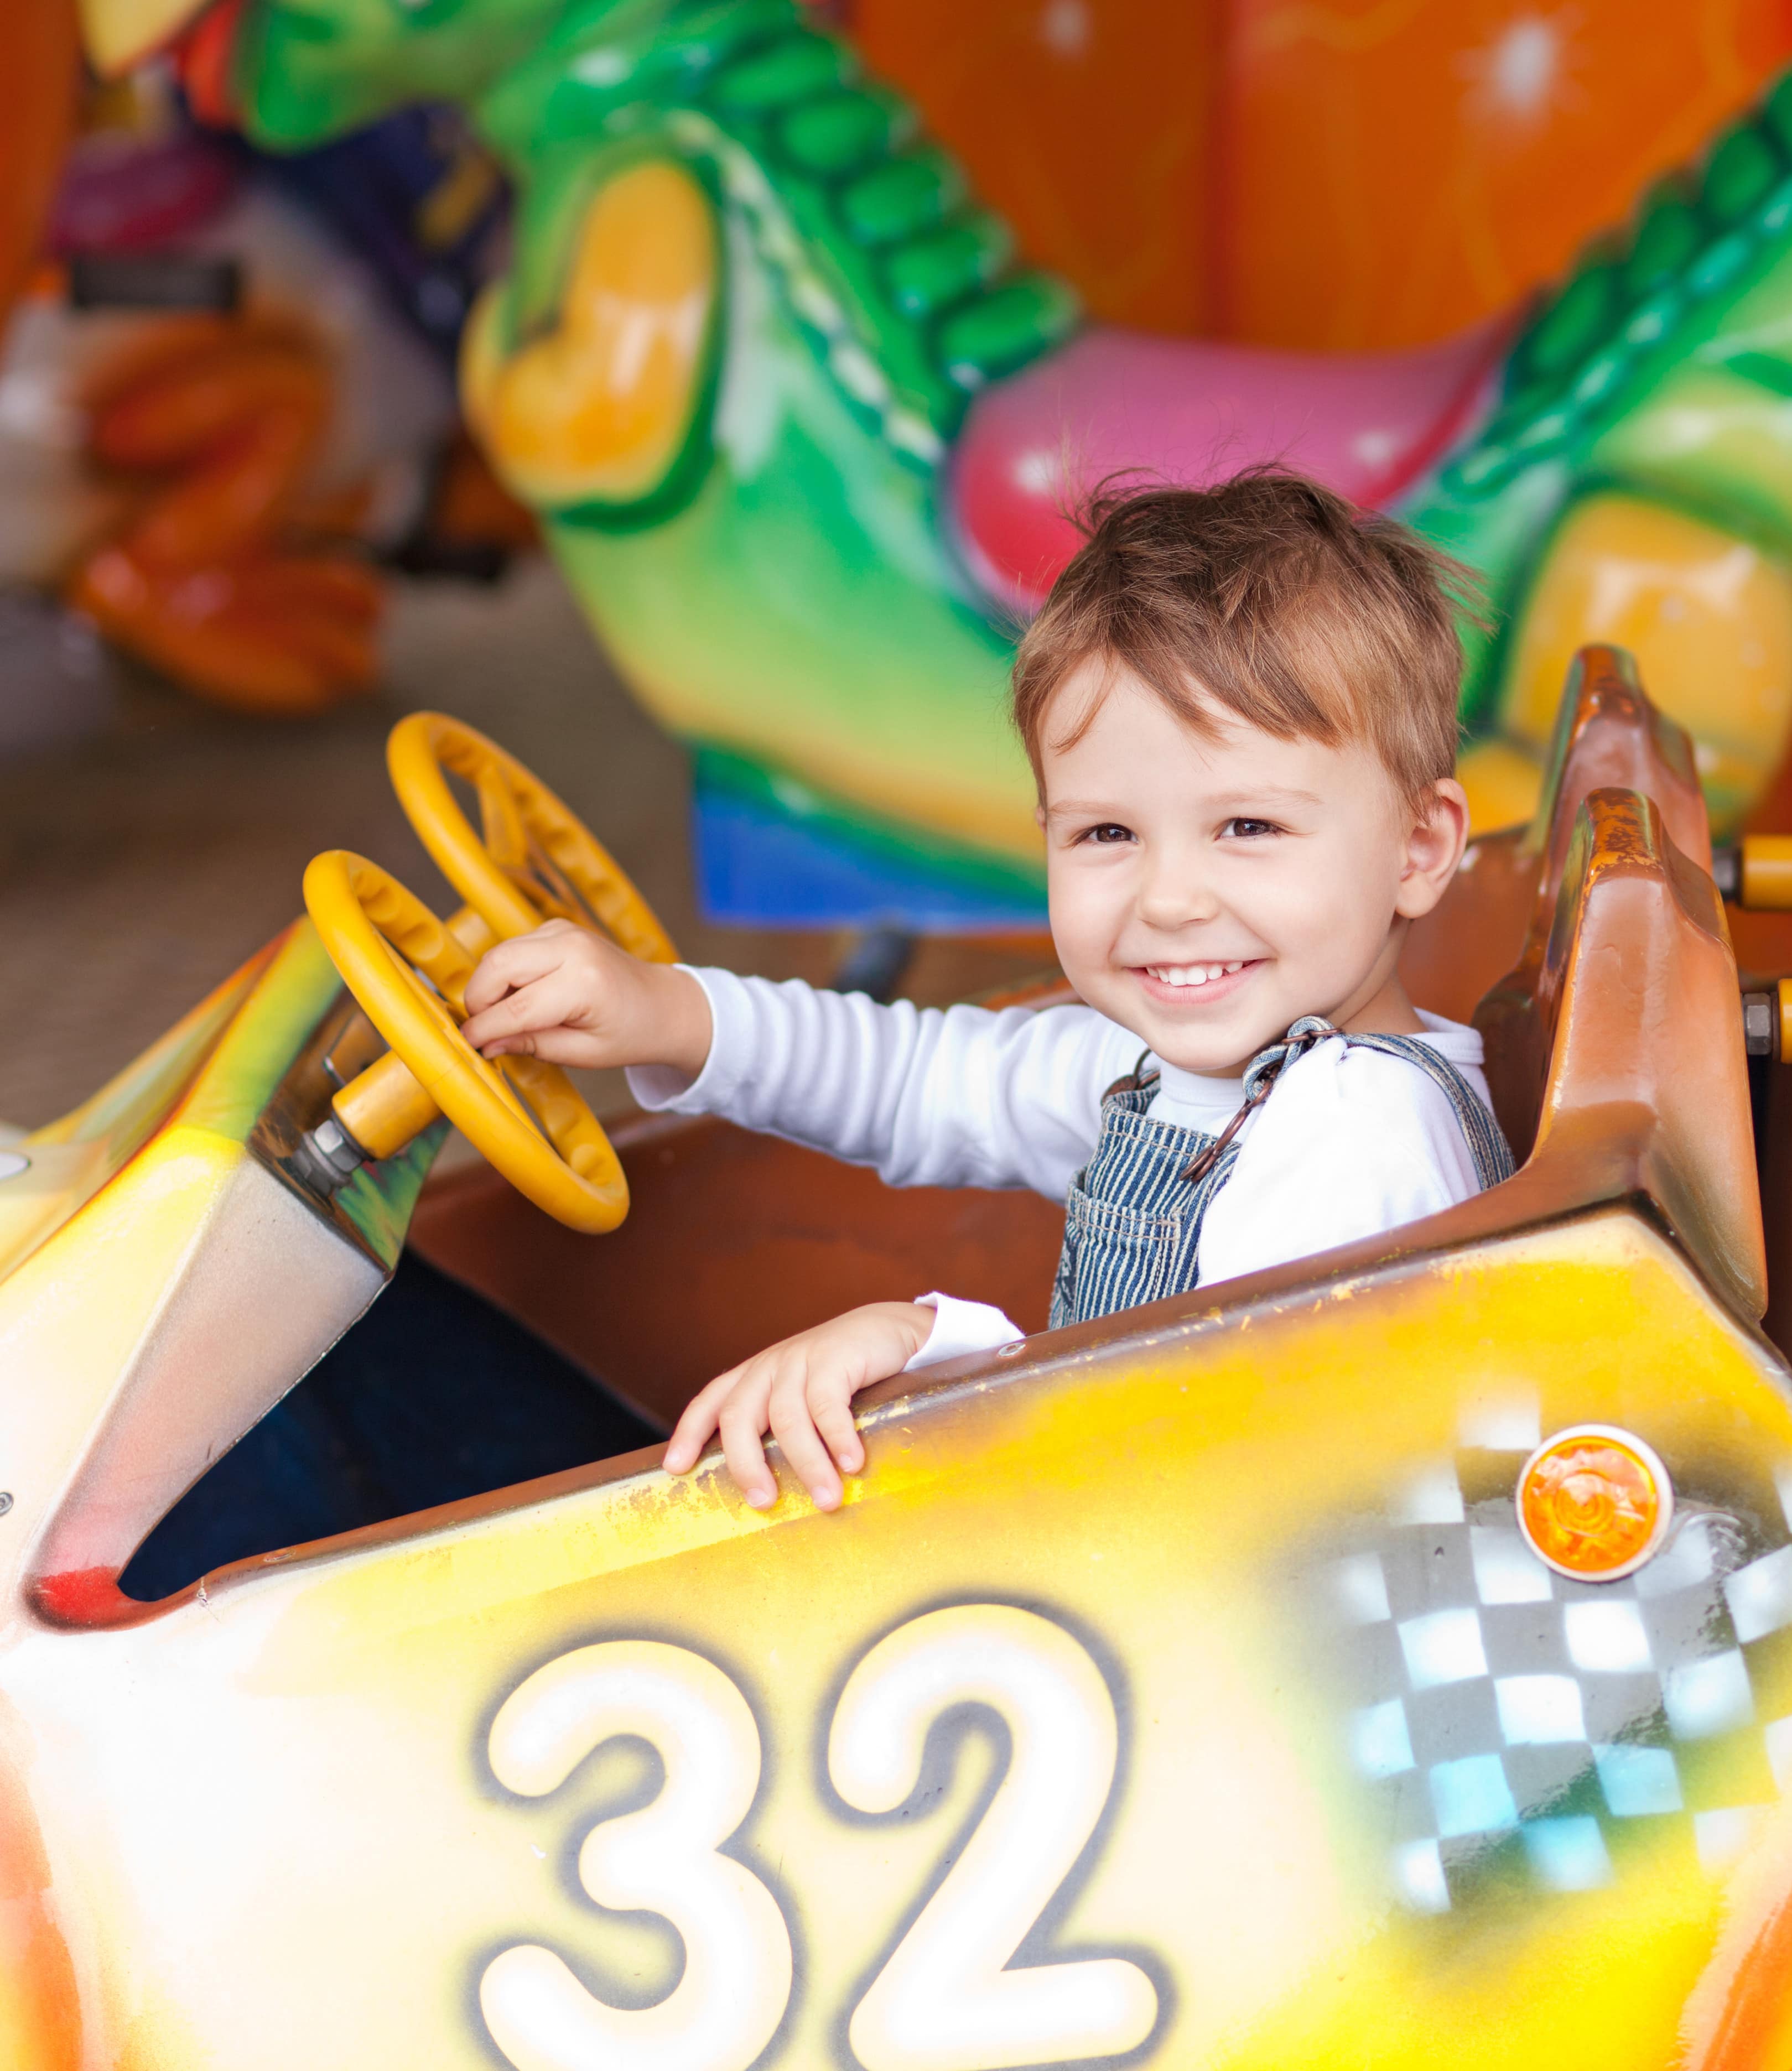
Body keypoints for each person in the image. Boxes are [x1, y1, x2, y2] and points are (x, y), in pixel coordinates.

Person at [458, 470, 1512, 1515]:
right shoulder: (1188, 1070)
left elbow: (1213, 1483)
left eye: (1249, 828)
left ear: (1419, 849)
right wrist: (668, 1013)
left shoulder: (1350, 1138)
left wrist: (941, 1351)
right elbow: (927, 1080)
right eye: (1108, 833)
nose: (1170, 899)